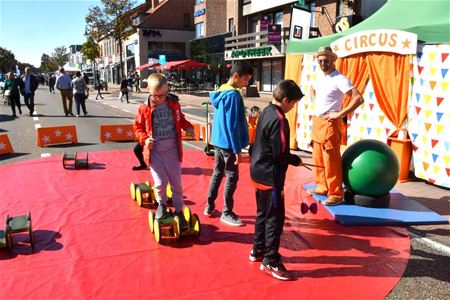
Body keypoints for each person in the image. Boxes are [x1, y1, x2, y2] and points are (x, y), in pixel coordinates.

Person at [249, 80, 304, 281]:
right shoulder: (280, 119)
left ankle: (258, 249)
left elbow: (256, 143)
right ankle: (270, 260)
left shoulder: (266, 111)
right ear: (286, 100)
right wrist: (295, 159)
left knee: (263, 213)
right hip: (270, 178)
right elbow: (280, 153)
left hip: (258, 172)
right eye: (293, 103)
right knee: (275, 219)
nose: (293, 107)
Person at [133, 73, 195, 229]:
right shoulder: (144, 108)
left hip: (173, 151)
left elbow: (181, 119)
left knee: (176, 184)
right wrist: (145, 139)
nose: (159, 99)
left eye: (162, 95)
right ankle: (161, 205)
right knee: (160, 183)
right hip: (155, 153)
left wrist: (188, 127)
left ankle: (179, 211)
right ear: (149, 90)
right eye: (156, 96)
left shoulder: (174, 104)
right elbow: (137, 128)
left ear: (167, 90)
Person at [308, 46, 364, 205]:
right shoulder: (318, 77)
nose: (323, 63)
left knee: (331, 160)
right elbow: (312, 88)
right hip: (318, 121)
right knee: (318, 157)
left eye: (326, 60)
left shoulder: (340, 78)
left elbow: (358, 98)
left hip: (330, 123)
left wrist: (339, 114)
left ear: (333, 59)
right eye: (320, 60)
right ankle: (322, 187)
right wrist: (315, 102)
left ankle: (336, 194)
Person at [203, 60, 253, 226]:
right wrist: (237, 149)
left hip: (218, 140)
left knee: (218, 173)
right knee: (232, 176)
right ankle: (227, 212)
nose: (247, 84)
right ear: (236, 76)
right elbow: (232, 125)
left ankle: (209, 206)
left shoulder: (222, 90)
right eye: (246, 80)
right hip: (228, 144)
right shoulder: (233, 95)